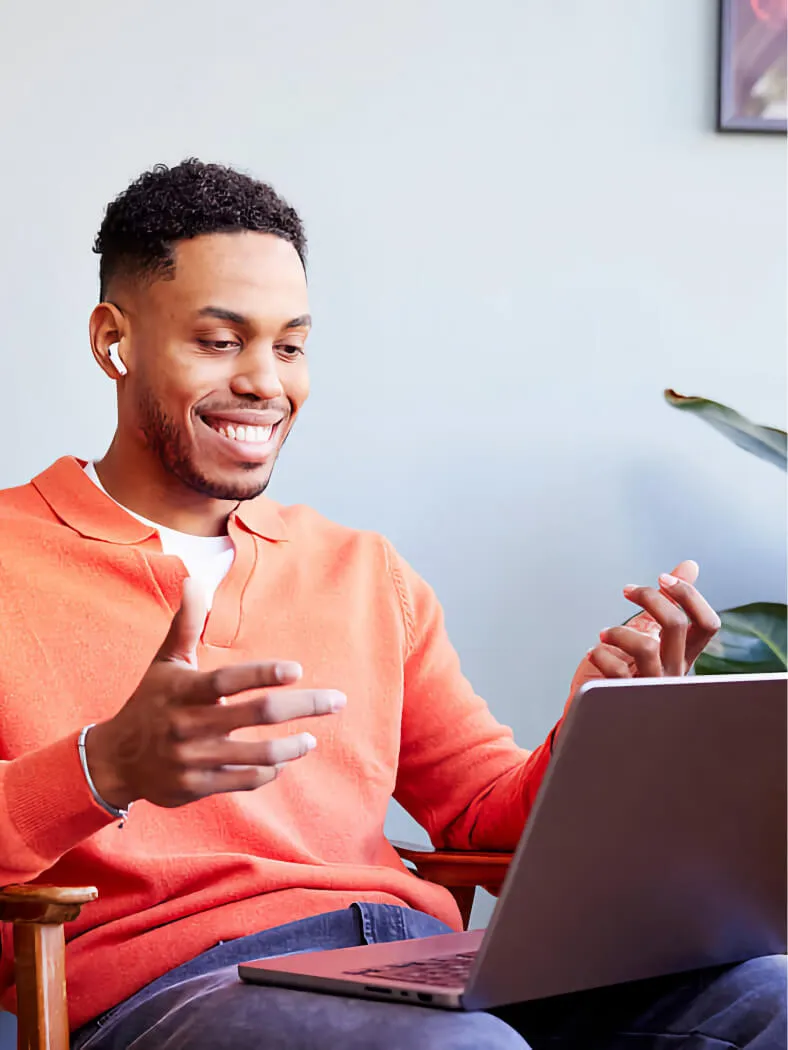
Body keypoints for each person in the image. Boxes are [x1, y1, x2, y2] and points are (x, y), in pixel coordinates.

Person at [0, 159, 781, 1050]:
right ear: (114, 340)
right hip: (181, 990)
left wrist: (605, 724)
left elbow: (481, 813)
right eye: (219, 342)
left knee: (770, 995)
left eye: (289, 345)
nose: (266, 382)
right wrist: (102, 767)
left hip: (417, 961)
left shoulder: (364, 571)